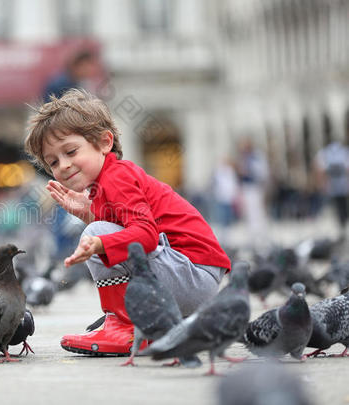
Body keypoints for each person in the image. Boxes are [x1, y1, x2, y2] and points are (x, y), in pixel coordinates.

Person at [24, 89, 230, 356]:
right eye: (53, 162)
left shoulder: (116, 178)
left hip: (193, 277)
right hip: (193, 278)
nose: (63, 165)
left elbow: (144, 235)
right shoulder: (108, 183)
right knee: (97, 230)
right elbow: (133, 231)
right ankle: (131, 323)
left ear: (104, 142)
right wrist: (90, 215)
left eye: (71, 151)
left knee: (96, 234)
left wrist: (98, 237)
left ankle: (123, 326)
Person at [236, 138, 269, 247]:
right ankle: (253, 236)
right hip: (247, 188)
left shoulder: (256, 157)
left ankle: (260, 236)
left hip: (254, 187)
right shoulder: (244, 158)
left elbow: (261, 173)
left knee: (257, 213)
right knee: (249, 213)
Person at [315, 140, 349, 240]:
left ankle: (341, 229)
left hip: (339, 187)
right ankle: (337, 230)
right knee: (335, 210)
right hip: (334, 187)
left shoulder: (331, 153)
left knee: (341, 209)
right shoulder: (329, 153)